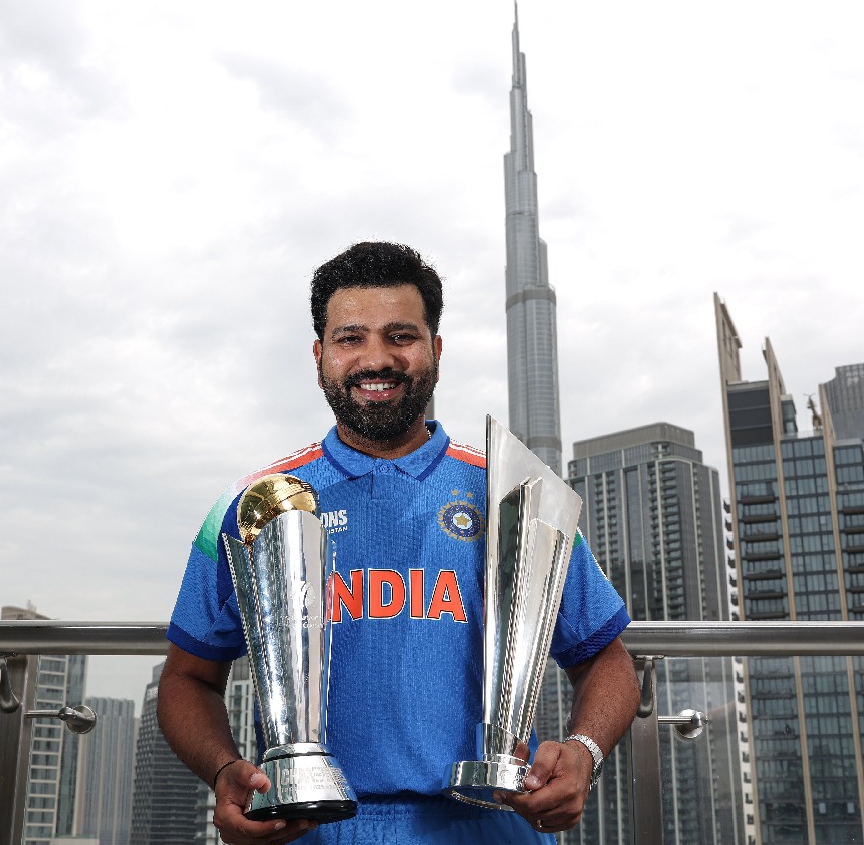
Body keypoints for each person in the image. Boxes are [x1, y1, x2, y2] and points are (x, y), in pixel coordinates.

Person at [158, 241, 639, 844]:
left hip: (488, 823)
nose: (376, 359)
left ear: (435, 349)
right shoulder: (255, 505)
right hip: (310, 827)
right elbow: (187, 679)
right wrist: (224, 769)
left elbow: (606, 659)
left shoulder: (514, 493)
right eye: (350, 338)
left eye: (401, 336)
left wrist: (585, 750)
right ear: (319, 355)